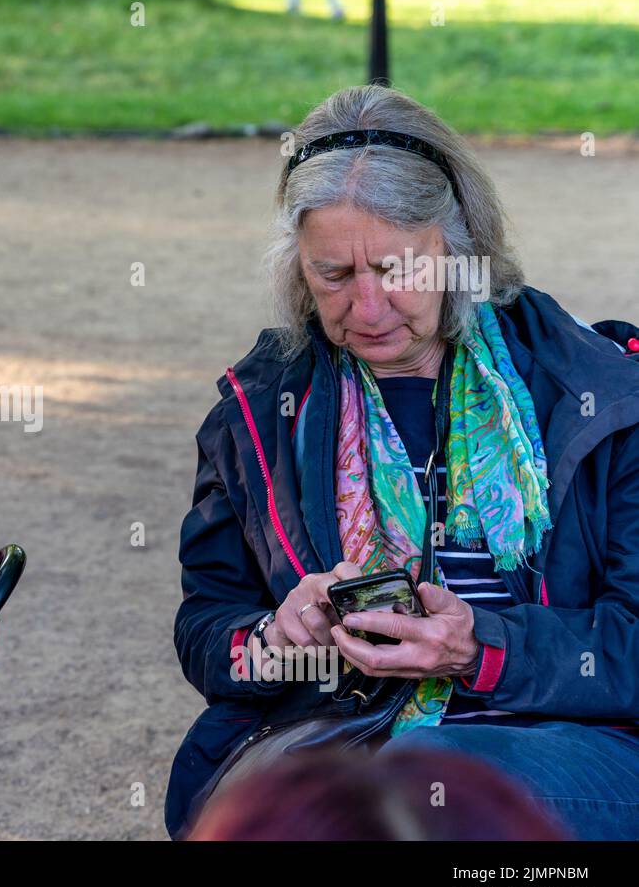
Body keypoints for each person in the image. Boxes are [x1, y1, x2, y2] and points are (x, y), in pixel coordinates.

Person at [166, 84, 639, 841]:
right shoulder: (257, 412)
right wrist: (273, 640)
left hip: (571, 735)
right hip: (335, 728)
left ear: (459, 250)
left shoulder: (600, 393)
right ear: (298, 269)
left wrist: (480, 646)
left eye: (396, 270)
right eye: (335, 275)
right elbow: (207, 627)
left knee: (423, 790)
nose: (369, 307)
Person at [187, 747, 569, 840]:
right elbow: (210, 625)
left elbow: (626, 638)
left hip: (561, 722)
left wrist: (485, 647)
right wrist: (269, 633)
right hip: (323, 708)